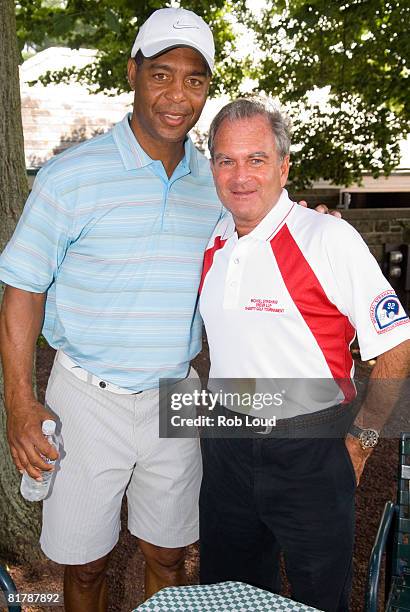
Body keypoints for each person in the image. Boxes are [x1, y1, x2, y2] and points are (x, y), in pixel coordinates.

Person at [0, 8, 338, 611]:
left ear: (208, 88)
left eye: (194, 79)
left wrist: (319, 228)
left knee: (169, 554)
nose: (177, 95)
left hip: (176, 394)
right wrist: (21, 402)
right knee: (84, 568)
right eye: (161, 74)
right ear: (133, 73)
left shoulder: (214, 183)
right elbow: (22, 288)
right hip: (86, 395)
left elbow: (266, 224)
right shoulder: (69, 177)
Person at [198, 98, 410, 611]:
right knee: (231, 595)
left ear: (284, 165)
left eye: (257, 159)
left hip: (310, 447)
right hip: (226, 445)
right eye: (227, 160)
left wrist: (364, 439)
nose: (240, 175)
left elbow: (397, 346)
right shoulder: (215, 238)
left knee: (319, 597)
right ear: (213, 168)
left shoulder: (328, 237)